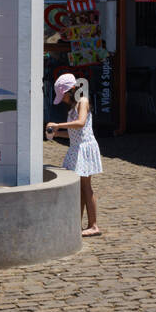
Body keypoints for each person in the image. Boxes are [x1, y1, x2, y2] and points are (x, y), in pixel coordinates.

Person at [46, 72, 103, 237]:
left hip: (84, 149)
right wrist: (56, 134)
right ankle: (76, 223)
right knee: (80, 188)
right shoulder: (71, 109)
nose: (62, 99)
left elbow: (81, 123)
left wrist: (58, 125)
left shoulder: (83, 102)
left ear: (70, 90)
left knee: (86, 187)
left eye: (63, 95)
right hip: (76, 148)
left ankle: (93, 225)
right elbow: (73, 133)